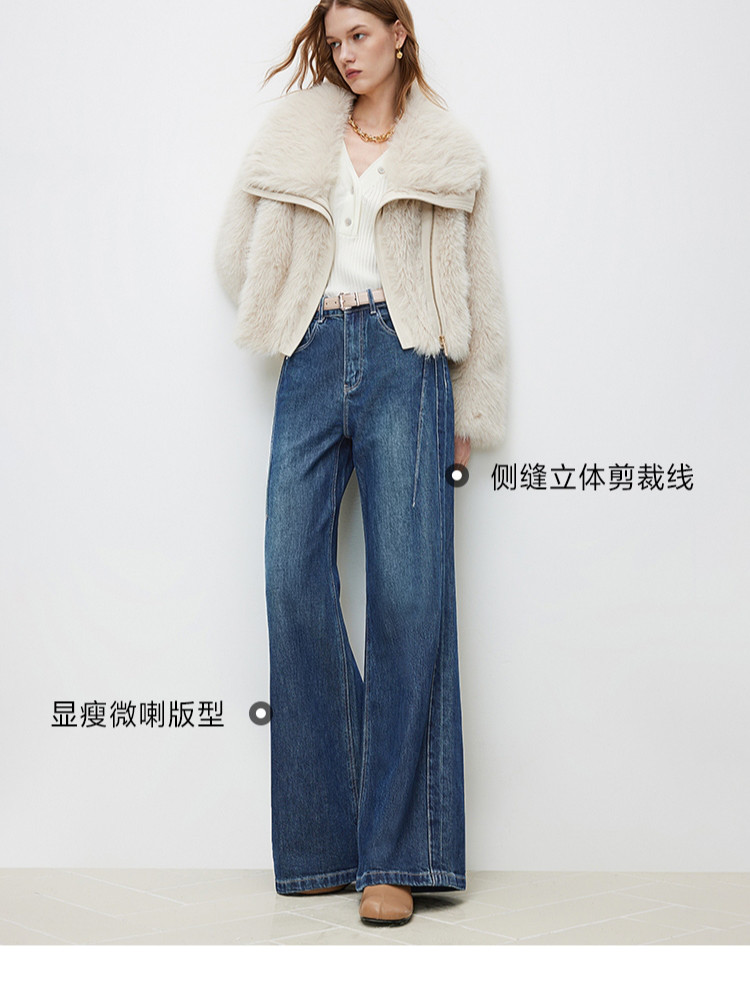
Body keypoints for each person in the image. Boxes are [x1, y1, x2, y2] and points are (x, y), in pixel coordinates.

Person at [214, 0, 507, 927]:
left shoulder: (447, 153)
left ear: (398, 34)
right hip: (310, 357)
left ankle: (399, 857)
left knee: (411, 599)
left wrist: (470, 407)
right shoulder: (293, 139)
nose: (346, 54)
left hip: (407, 363)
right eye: (334, 40)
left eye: (360, 35)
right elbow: (235, 251)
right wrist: (288, 303)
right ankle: (324, 844)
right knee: (289, 579)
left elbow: (480, 289)